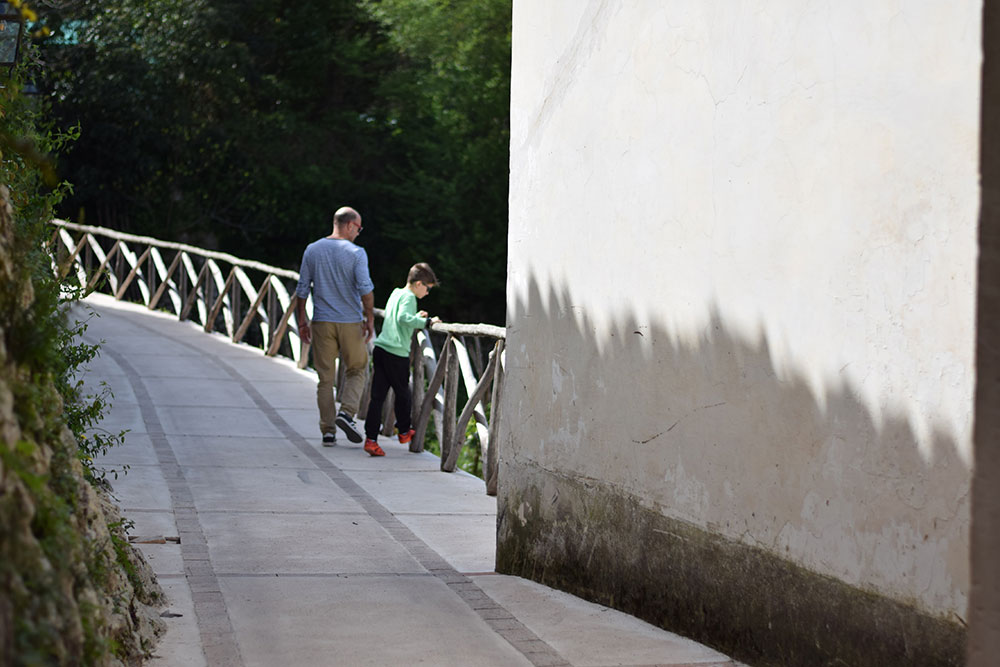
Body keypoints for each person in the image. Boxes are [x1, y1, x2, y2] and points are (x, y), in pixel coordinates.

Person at [295, 206, 375, 446]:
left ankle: (328, 431)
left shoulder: (312, 250)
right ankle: (347, 413)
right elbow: (366, 290)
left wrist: (301, 320)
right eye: (358, 228)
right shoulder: (357, 253)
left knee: (325, 379)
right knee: (358, 368)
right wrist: (369, 318)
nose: (359, 233)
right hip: (350, 322)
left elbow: (301, 289)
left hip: (321, 322)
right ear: (350, 225)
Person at [362, 262, 441, 456]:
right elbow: (403, 319)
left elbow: (399, 316)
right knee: (403, 394)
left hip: (381, 348)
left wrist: (415, 316)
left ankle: (371, 440)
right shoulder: (410, 297)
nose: (428, 293)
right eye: (428, 288)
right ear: (419, 284)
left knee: (377, 398)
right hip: (396, 353)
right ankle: (404, 431)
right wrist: (426, 321)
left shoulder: (397, 293)